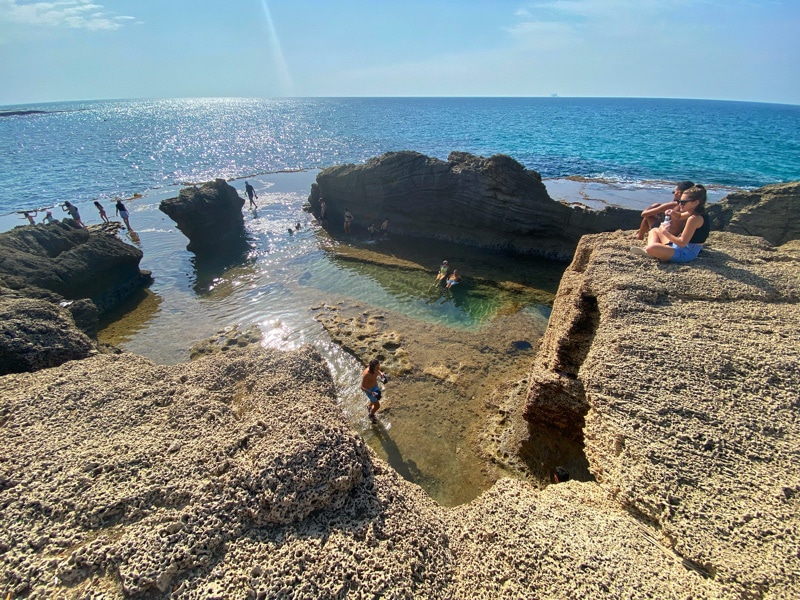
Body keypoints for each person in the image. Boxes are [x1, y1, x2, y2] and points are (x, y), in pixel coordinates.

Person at [631, 184, 709, 262]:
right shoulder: (693, 212)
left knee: (651, 247)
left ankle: (653, 251)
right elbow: (679, 216)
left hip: (686, 252)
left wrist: (664, 232)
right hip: (679, 246)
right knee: (654, 230)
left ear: (695, 202)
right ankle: (656, 251)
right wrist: (672, 212)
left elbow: (682, 243)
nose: (680, 204)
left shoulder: (694, 218)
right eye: (679, 201)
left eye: (683, 202)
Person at [361, 358, 387, 423]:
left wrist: (381, 374)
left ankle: (369, 406)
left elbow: (378, 370)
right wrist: (371, 393)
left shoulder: (375, 369)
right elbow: (362, 387)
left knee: (377, 398)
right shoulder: (367, 374)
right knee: (377, 406)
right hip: (369, 390)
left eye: (379, 366)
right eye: (377, 367)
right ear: (372, 367)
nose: (378, 368)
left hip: (375, 386)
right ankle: (371, 415)